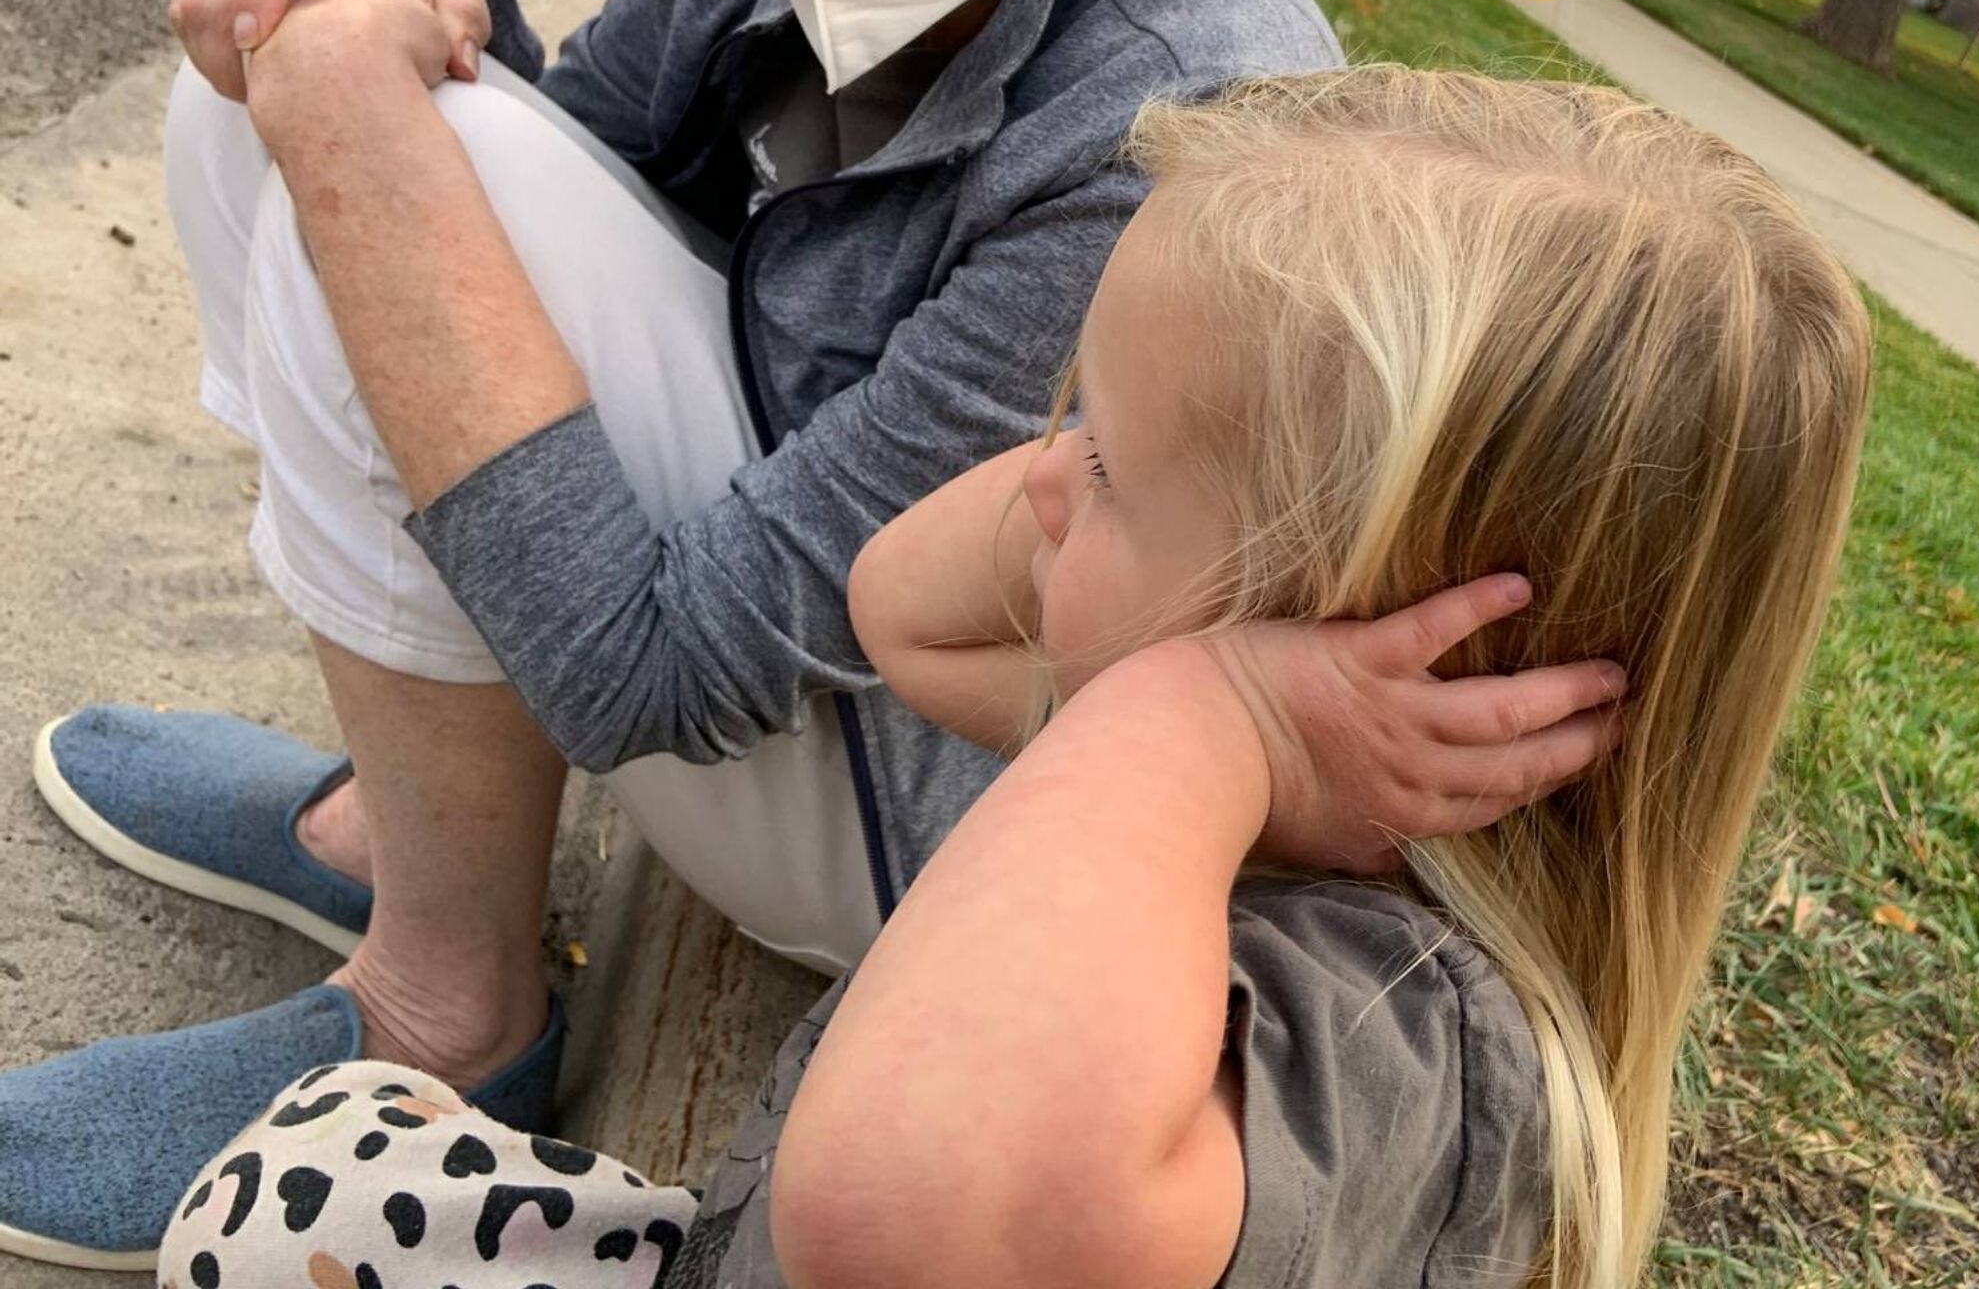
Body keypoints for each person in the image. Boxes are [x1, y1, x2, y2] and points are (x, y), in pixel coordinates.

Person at [0, 0, 1559, 1264]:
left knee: (365, 139)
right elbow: (593, 181)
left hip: (942, 808)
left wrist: (377, 114)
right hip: (785, 640)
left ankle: (450, 1010)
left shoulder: (1178, 124)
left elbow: (656, 668)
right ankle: (395, 834)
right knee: (279, 75)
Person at [162, 67, 1876, 1289]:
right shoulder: (1215, 803)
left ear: (1368, 623)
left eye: (1106, 464)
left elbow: (903, 1221)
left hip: (828, 1221)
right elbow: (907, 609)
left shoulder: (1406, 1041)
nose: (1042, 480)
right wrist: (1178, 637)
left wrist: (1211, 711)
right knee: (311, 1165)